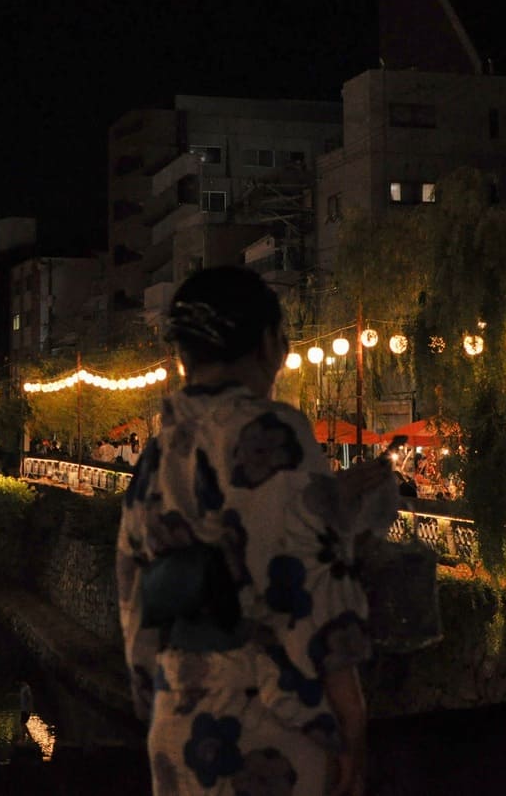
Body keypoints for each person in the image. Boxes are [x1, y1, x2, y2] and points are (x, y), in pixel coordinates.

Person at [117, 266, 398, 796]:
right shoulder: (271, 432)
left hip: (178, 724)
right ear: (270, 344)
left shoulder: (157, 453)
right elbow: (305, 581)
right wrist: (349, 714)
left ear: (184, 355)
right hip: (262, 728)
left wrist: (332, 498)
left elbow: (135, 588)